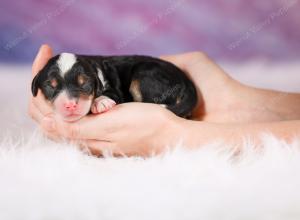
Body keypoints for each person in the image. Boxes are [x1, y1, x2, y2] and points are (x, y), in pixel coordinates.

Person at [28, 45, 300, 156]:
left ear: (96, 81)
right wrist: (233, 103)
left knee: (140, 81)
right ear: (37, 87)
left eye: (82, 87)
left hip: (161, 81)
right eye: (53, 89)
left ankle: (170, 108)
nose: (70, 101)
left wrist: (173, 133)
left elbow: (112, 94)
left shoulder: (102, 79)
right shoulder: (86, 73)